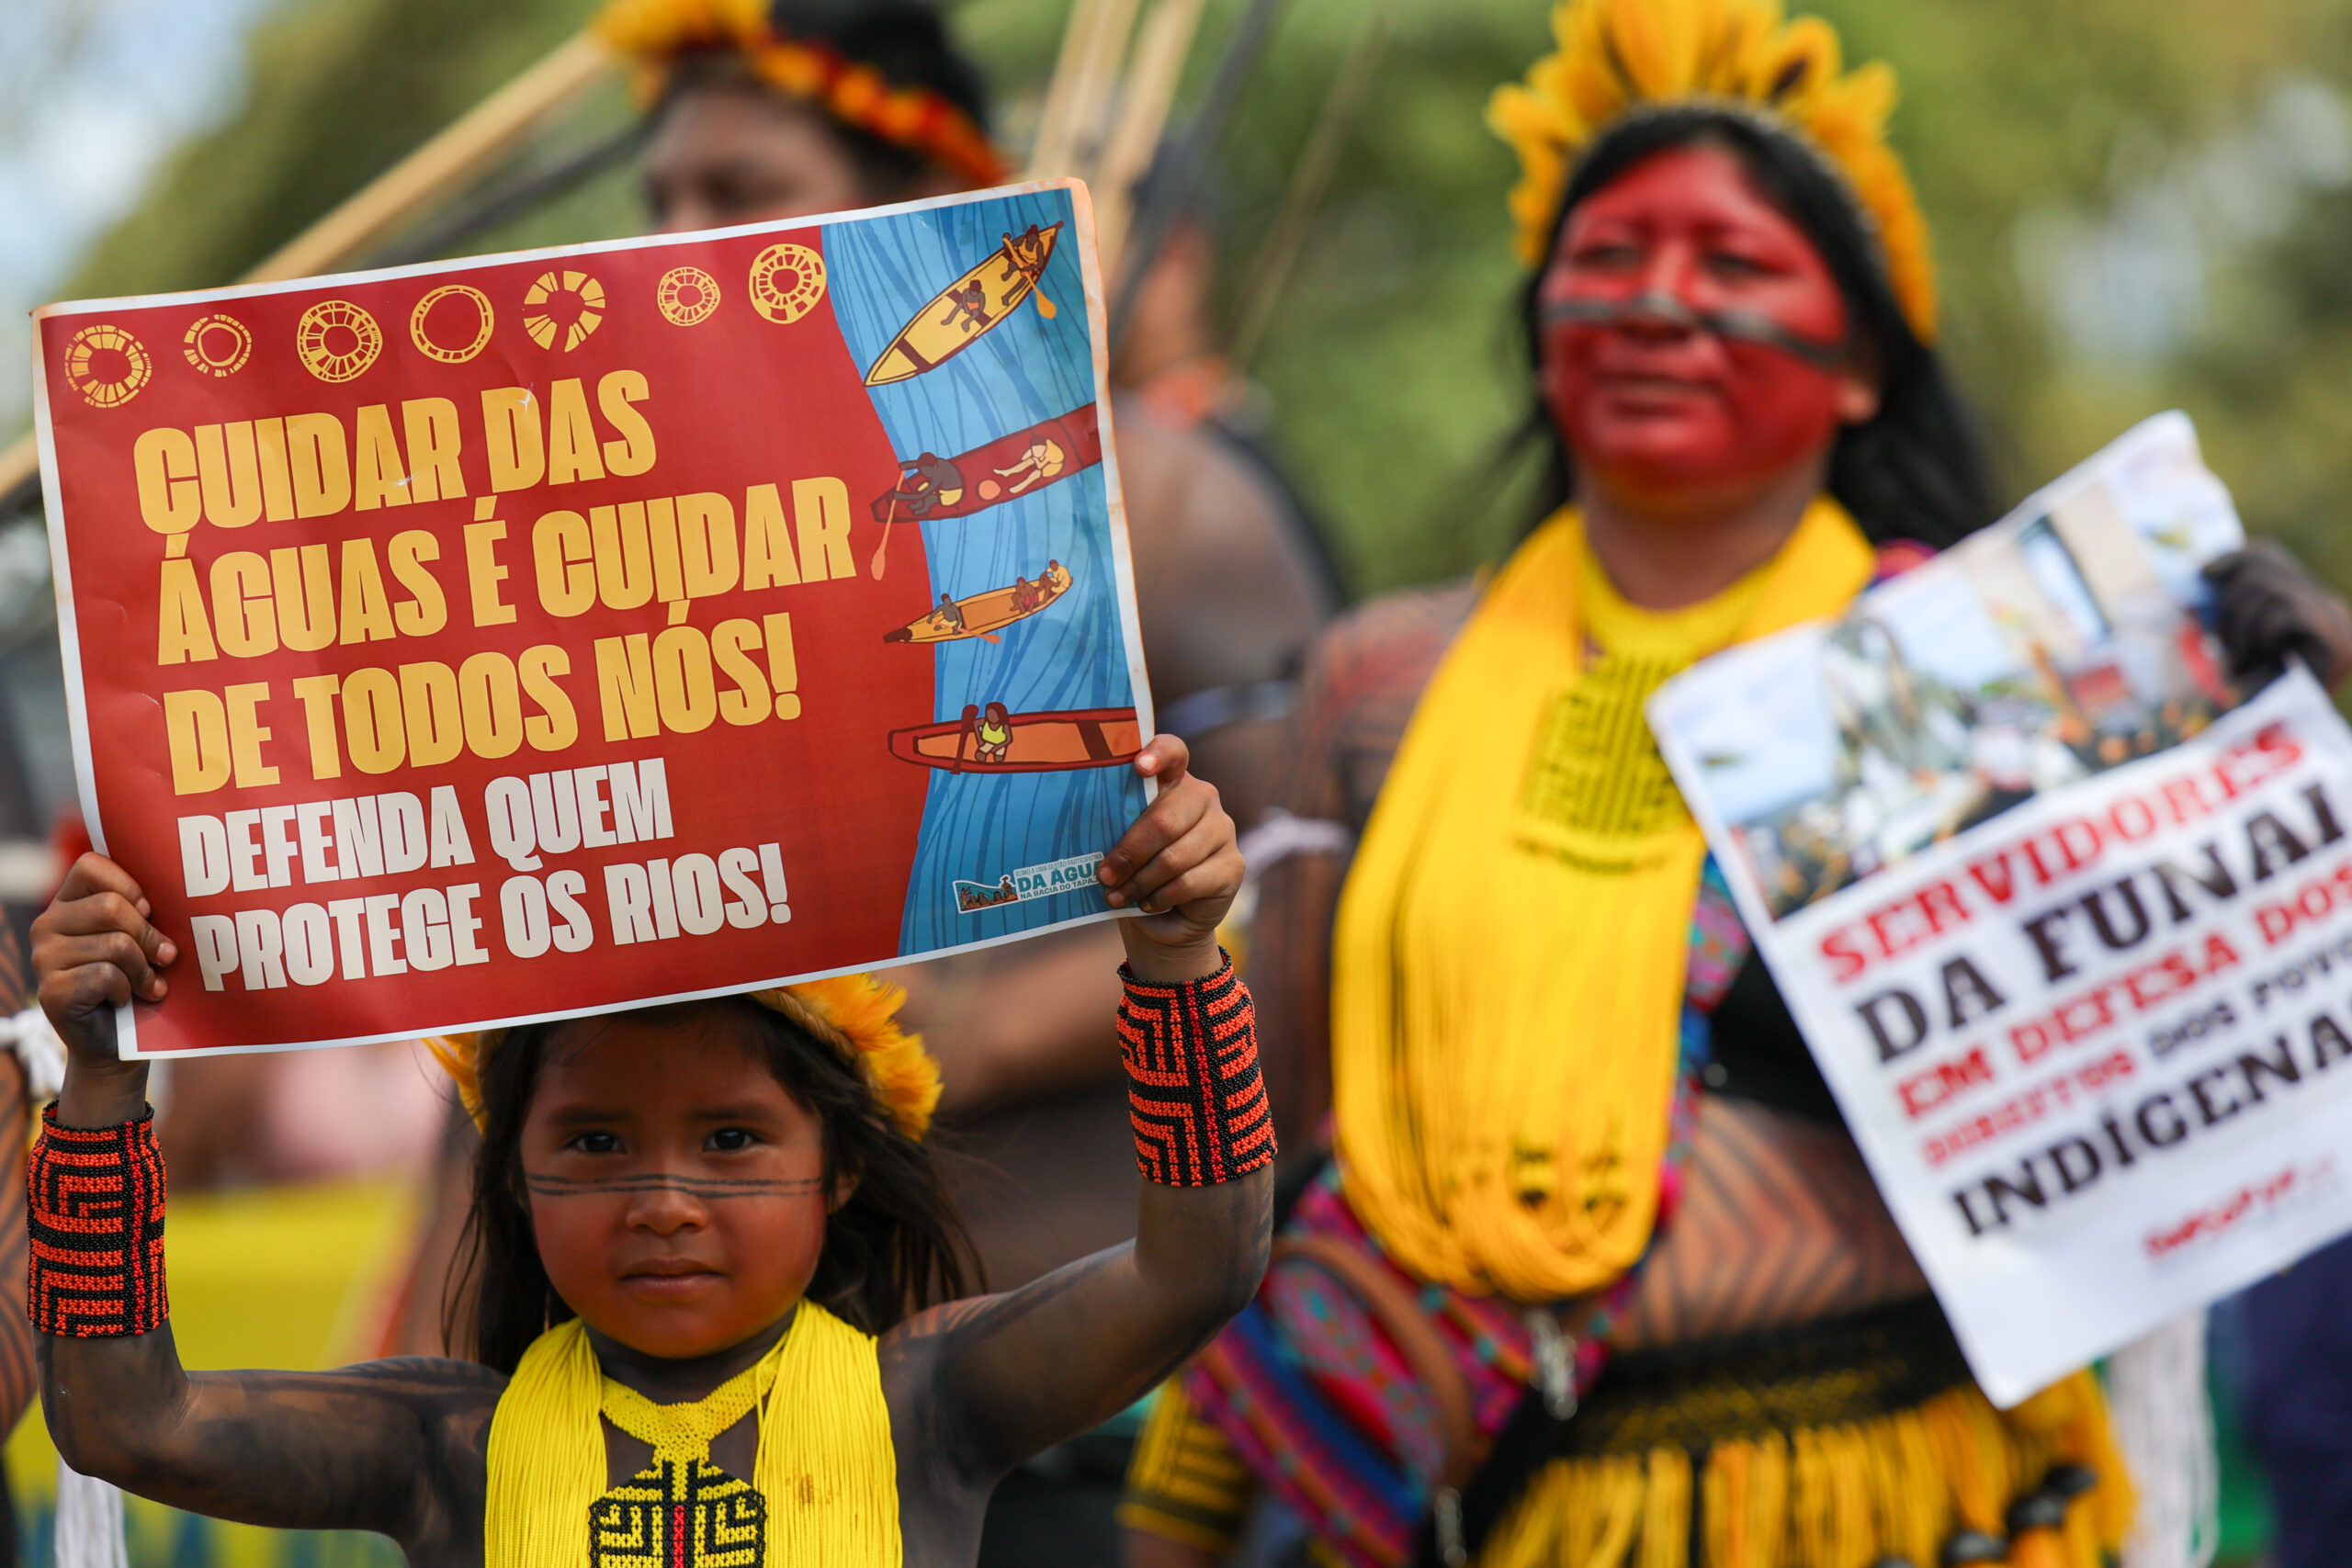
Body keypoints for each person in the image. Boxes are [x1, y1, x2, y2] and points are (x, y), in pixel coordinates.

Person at [1118, 2, 2352, 1565]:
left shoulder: (2002, 664)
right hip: (1499, 1513)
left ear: (1859, 368)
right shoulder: (1379, 682)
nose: (1660, 305)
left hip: (1896, 1508)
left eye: (1737, 267)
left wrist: (2267, 751)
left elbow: (2207, 1042)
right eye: (1612, 259)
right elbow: (1260, 1151)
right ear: (1541, 320)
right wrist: (1176, 1523)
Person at [594, 6, 1340, 1559]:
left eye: (736, 194)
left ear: (901, 212)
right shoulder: (635, 559)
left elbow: (1313, 925)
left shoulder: (1149, 500)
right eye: (655, 203)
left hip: (1105, 1412)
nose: (678, 244)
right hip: (751, 1432)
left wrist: (976, 1033)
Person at [27, 738, 1272, 1567]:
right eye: (595, 1141)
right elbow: (128, 1425)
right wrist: (99, 1088)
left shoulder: (924, 1404)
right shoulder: (445, 1443)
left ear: (838, 1167)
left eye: (732, 1141)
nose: (665, 1202)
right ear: (510, 1173)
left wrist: (1174, 958)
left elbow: (1199, 1268)